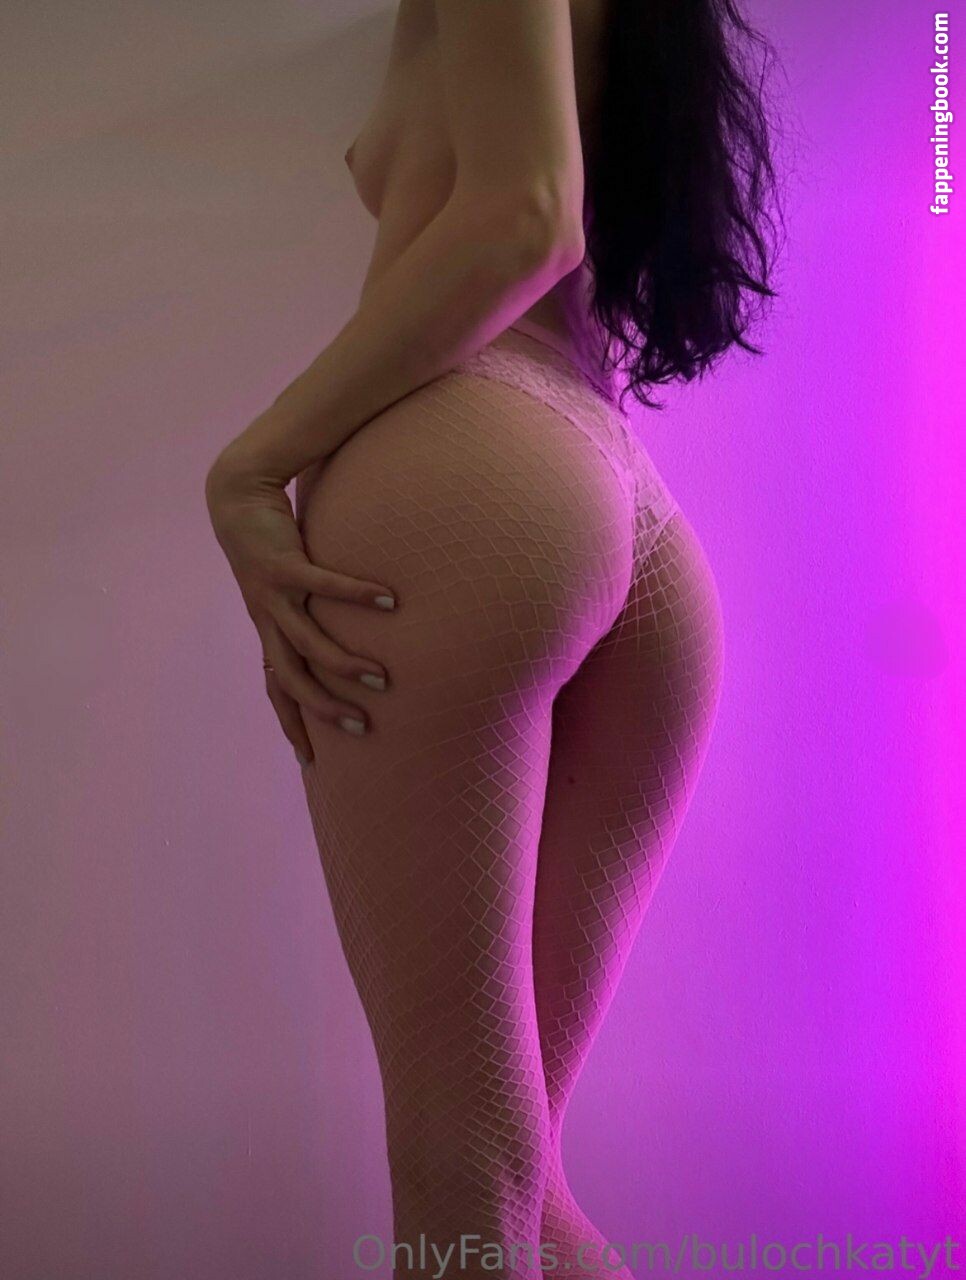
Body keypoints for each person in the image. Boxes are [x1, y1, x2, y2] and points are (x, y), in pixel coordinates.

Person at [205, 1, 778, 1275]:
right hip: (622, 502)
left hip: (466, 475)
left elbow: (526, 214)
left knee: (464, 1164)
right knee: (523, 1182)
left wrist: (251, 464)